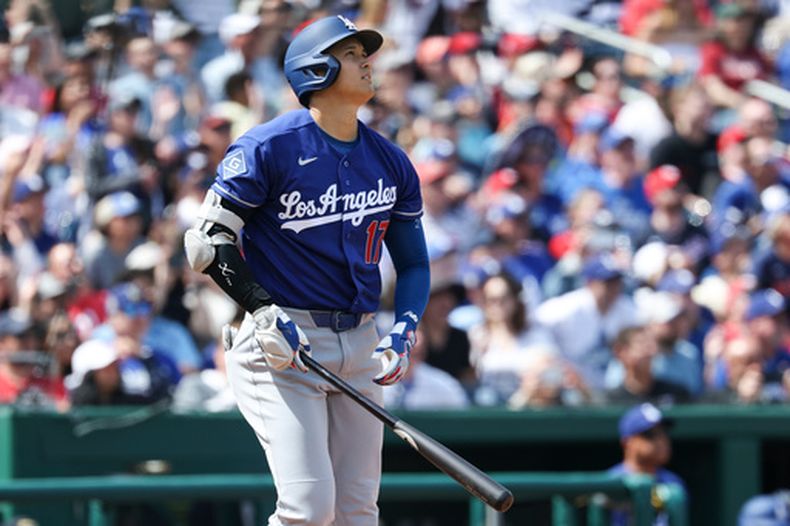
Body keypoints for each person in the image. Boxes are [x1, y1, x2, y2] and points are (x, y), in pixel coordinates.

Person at [183, 15, 430, 526]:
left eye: (365, 52)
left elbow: (414, 263)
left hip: (361, 342)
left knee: (357, 513)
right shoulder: (267, 147)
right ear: (316, 70)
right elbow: (206, 240)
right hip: (283, 343)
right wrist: (260, 306)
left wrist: (404, 328)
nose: (366, 62)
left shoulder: (390, 159)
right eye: (351, 53)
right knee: (308, 510)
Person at [608, 403, 686, 526]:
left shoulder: (672, 481)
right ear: (627, 443)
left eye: (663, 433)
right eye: (650, 435)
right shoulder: (611, 482)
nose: (661, 441)